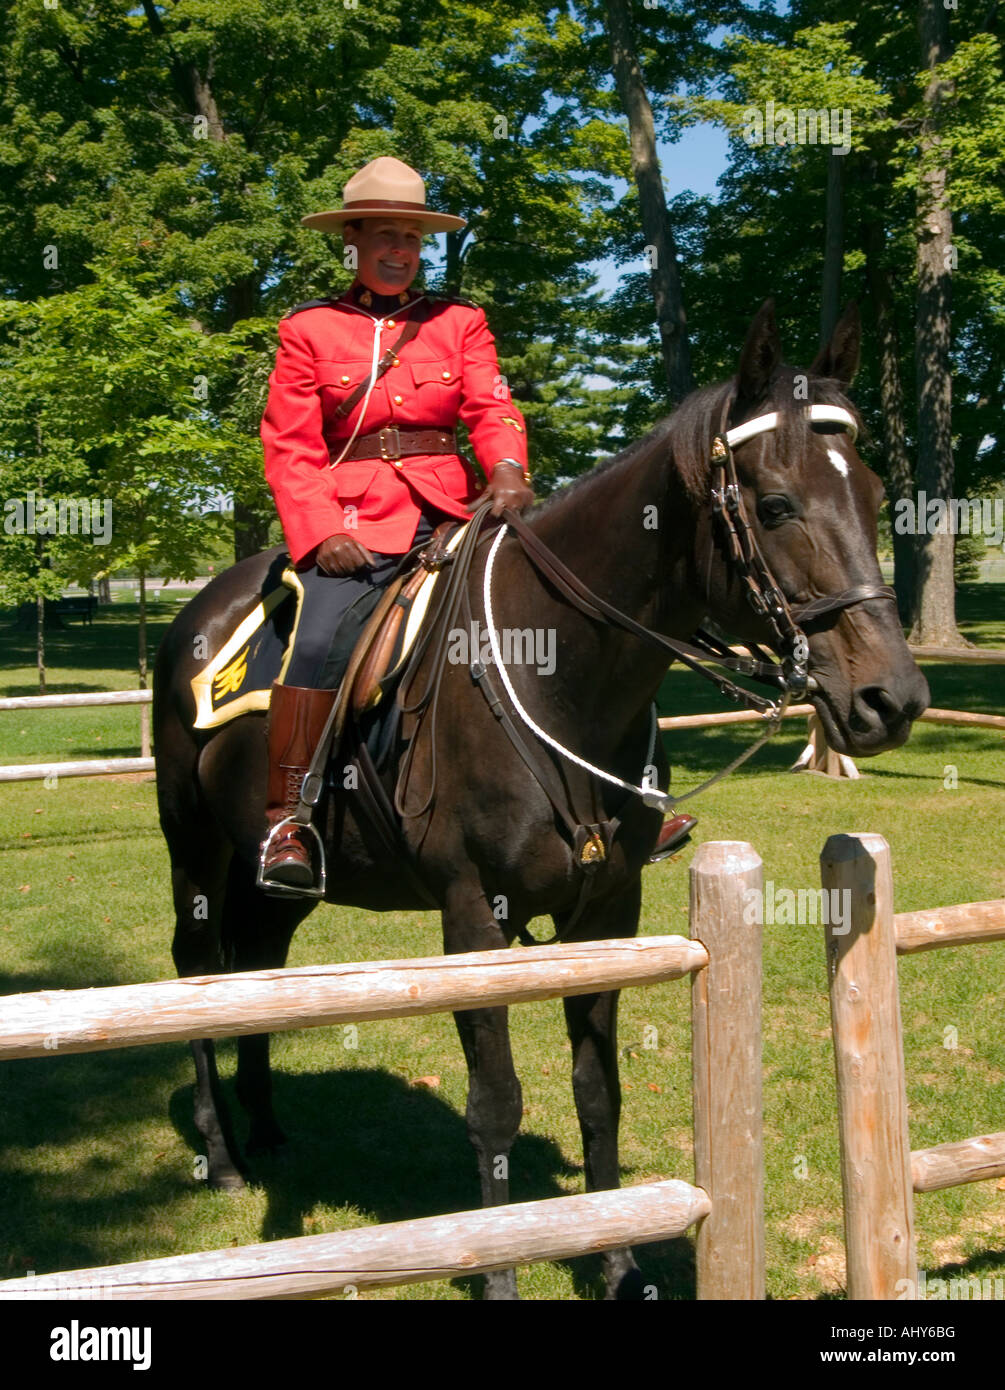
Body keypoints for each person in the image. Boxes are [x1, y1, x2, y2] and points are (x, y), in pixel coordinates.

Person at [258, 156, 534, 893]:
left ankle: (627, 789)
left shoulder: (459, 321)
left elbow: (489, 406)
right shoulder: (308, 329)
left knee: (561, 600)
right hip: (353, 523)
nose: (398, 250)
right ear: (351, 240)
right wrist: (320, 532)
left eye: (410, 237)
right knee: (316, 639)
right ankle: (288, 821)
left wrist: (507, 466)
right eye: (383, 235)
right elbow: (290, 446)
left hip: (453, 510)